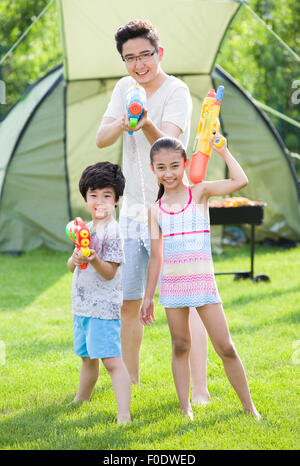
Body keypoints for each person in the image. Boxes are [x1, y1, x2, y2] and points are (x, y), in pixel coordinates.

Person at [96, 19, 210, 403]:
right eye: (130, 58)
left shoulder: (177, 91)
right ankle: (130, 382)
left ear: (159, 53)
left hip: (172, 211)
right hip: (132, 213)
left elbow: (171, 147)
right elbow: (101, 138)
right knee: (128, 302)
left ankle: (201, 389)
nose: (139, 64)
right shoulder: (123, 88)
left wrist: (143, 122)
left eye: (145, 55)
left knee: (187, 301)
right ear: (124, 61)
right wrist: (124, 120)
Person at [140, 136, 261, 421]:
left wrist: (223, 151)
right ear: (152, 169)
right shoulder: (154, 211)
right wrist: (148, 297)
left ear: (185, 164)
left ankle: (249, 408)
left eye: (173, 166)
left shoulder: (201, 192)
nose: (168, 173)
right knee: (180, 345)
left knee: (226, 347)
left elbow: (240, 181)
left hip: (203, 284)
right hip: (173, 288)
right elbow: (156, 257)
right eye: (161, 167)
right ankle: (186, 409)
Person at [67, 161, 131, 424]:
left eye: (107, 195)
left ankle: (124, 415)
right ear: (85, 198)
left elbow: (109, 273)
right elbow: (72, 266)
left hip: (103, 309)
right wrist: (76, 257)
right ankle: (80, 400)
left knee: (111, 362)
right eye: (94, 194)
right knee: (86, 358)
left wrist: (93, 259)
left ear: (117, 200)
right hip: (82, 307)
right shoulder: (86, 229)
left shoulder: (113, 233)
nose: (100, 201)